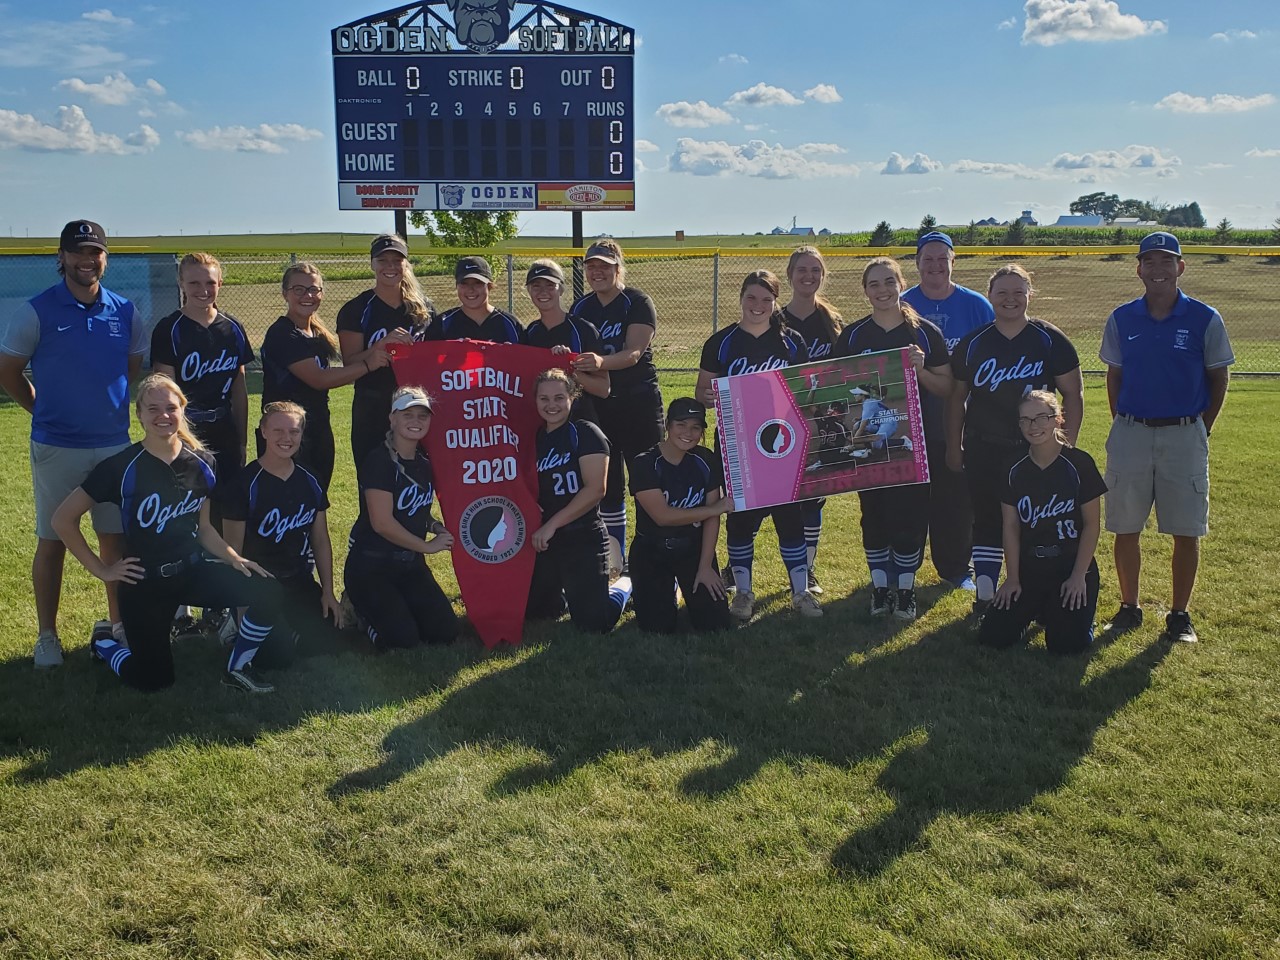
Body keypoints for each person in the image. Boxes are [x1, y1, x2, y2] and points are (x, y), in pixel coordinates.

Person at [50, 375, 284, 693]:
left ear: (182, 410)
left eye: (171, 408)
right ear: (139, 415)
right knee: (153, 680)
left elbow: (203, 528)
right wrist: (103, 570)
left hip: (191, 571)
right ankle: (104, 644)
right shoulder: (121, 467)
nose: (163, 416)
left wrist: (232, 556)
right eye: (153, 409)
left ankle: (237, 669)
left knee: (267, 589)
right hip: (144, 583)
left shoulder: (204, 462)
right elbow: (63, 519)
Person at [0, 219, 147, 668]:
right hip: (57, 447)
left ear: (105, 258)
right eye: (78, 252)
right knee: (52, 539)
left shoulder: (124, 310)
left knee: (113, 539)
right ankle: (48, 636)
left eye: (96, 252)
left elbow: (133, 368)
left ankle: (118, 623)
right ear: (61, 258)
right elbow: (9, 373)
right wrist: (41, 411)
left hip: (113, 445)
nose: (88, 260)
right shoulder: (37, 310)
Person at [1099, 232, 1234, 644]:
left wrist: (1199, 426)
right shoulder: (1123, 318)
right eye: (1149, 262)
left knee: (1185, 529)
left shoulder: (1204, 318)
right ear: (1139, 268)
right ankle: (1129, 607)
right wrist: (1125, 422)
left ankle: (1179, 615)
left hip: (1183, 433)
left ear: (1181, 267)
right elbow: (1115, 375)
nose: (1158, 270)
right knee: (1125, 525)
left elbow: (1218, 377)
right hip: (1131, 432)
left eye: (1166, 261)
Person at [949, 264, 1083, 617]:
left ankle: (1037, 594)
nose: (1010, 299)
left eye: (1018, 292)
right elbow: (956, 398)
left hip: (1033, 448)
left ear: (1029, 295)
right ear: (989, 296)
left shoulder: (1049, 338)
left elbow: (1073, 393)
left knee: (1037, 521)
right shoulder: (974, 342)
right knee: (988, 519)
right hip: (984, 445)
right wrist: (953, 444)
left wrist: (1064, 443)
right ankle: (987, 595)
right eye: (1002, 292)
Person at [696, 269, 820, 620]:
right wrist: (709, 395)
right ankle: (744, 592)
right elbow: (702, 392)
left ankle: (801, 592)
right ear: (740, 298)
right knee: (739, 516)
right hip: (738, 443)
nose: (758, 305)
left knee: (790, 517)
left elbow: (805, 391)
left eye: (766, 299)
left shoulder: (792, 341)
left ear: (775, 303)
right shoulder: (721, 342)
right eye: (751, 297)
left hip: (783, 441)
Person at [833, 257, 952, 620]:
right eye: (874, 284)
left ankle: (905, 590)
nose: (882, 290)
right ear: (865, 290)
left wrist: (920, 369)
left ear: (902, 284)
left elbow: (945, 386)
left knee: (911, 517)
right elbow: (838, 391)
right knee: (875, 516)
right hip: (869, 443)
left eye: (889, 282)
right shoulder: (853, 335)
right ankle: (880, 588)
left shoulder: (925, 332)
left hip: (914, 442)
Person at [901, 231, 996, 592]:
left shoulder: (975, 305)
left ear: (953, 262)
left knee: (955, 499)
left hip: (957, 421)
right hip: (908, 422)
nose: (936, 265)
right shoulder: (903, 304)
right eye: (928, 258)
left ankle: (955, 567)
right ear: (917, 263)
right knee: (909, 501)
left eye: (943, 258)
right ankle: (902, 565)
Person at [980, 391, 1105, 654]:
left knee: (1066, 646)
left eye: (1041, 418)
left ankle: (1075, 618)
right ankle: (1035, 610)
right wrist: (1013, 578)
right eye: (1025, 420)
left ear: (1058, 419)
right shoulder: (1013, 466)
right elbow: (1011, 526)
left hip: (1070, 566)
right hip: (1031, 567)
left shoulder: (1079, 463)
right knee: (993, 636)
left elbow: (1092, 525)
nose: (1033, 426)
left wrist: (1078, 576)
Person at [567, 238, 664, 576]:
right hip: (599, 404)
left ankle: (652, 559)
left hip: (638, 401)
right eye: (592, 266)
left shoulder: (637, 301)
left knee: (647, 481)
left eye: (604, 266)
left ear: (618, 268)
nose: (597, 272)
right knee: (608, 485)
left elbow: (634, 353)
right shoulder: (581, 309)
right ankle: (616, 564)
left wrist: (600, 361)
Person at [222, 402, 344, 668]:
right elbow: (233, 552)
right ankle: (235, 625)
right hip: (260, 587)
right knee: (276, 659)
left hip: (298, 581)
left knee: (330, 643)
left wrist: (327, 592)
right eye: (278, 430)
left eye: (294, 431)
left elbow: (320, 541)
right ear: (263, 431)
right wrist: (242, 607)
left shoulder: (310, 479)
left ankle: (289, 628)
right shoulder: (243, 484)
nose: (286, 438)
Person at [344, 386, 458, 649]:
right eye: (407, 415)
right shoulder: (379, 461)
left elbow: (413, 508)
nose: (415, 422)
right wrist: (427, 547)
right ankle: (360, 614)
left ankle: (397, 608)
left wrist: (434, 525)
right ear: (392, 418)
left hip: (409, 566)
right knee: (401, 641)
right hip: (372, 567)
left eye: (422, 415)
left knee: (445, 632)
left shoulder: (423, 462)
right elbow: (382, 523)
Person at [261, 261, 390, 493]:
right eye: (298, 289)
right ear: (284, 294)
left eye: (314, 289)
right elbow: (319, 379)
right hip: (286, 431)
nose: (307, 295)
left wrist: (382, 345)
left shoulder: (316, 333)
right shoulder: (282, 333)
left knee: (316, 498)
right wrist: (369, 364)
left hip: (318, 425)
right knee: (286, 500)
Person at [526, 369, 633, 632]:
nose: (552, 405)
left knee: (595, 623)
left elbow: (596, 490)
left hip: (582, 535)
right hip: (546, 541)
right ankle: (566, 593)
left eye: (559, 398)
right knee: (536, 612)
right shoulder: (534, 438)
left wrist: (551, 524)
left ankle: (627, 583)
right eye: (544, 399)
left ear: (572, 397)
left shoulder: (585, 432)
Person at [149, 252, 254, 520]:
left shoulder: (233, 328)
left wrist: (240, 440)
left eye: (210, 282)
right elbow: (165, 393)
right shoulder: (169, 329)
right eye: (194, 283)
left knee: (228, 506)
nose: (203, 290)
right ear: (181, 284)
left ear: (220, 283)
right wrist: (174, 439)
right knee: (188, 509)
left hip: (224, 427)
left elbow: (238, 388)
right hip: (187, 429)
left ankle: (229, 561)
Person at [628, 399, 734, 634]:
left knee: (715, 625)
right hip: (651, 549)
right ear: (667, 425)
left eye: (696, 427)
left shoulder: (705, 459)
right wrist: (714, 509)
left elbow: (712, 519)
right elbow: (662, 517)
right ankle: (656, 588)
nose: (688, 433)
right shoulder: (644, 462)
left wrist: (706, 566)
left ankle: (682, 586)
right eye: (681, 424)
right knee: (657, 628)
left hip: (692, 548)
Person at [337, 234, 434, 471]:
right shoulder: (356, 309)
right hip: (373, 405)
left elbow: (435, 357)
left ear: (406, 264)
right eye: (383, 260)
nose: (390, 266)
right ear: (372, 264)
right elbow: (350, 363)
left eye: (397, 260)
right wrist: (378, 348)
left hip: (415, 406)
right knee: (372, 477)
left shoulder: (423, 309)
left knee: (414, 477)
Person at [781, 245, 843, 594]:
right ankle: (736, 567)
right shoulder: (775, 318)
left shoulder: (832, 322)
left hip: (821, 419)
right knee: (763, 496)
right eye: (802, 270)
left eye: (815, 271)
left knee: (813, 494)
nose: (808, 277)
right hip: (781, 418)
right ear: (789, 275)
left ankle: (807, 568)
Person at [522, 258, 610, 421]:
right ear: (529, 291)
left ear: (561, 289)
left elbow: (603, 389)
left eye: (550, 285)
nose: (543, 292)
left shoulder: (583, 330)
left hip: (580, 422)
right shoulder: (529, 333)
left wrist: (568, 367)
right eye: (536, 286)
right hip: (542, 424)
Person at [424, 256, 525, 343]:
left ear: (489, 286)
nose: (471, 289)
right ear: (456, 286)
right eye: (464, 283)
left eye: (478, 283)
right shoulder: (442, 323)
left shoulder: (510, 324)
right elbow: (428, 360)